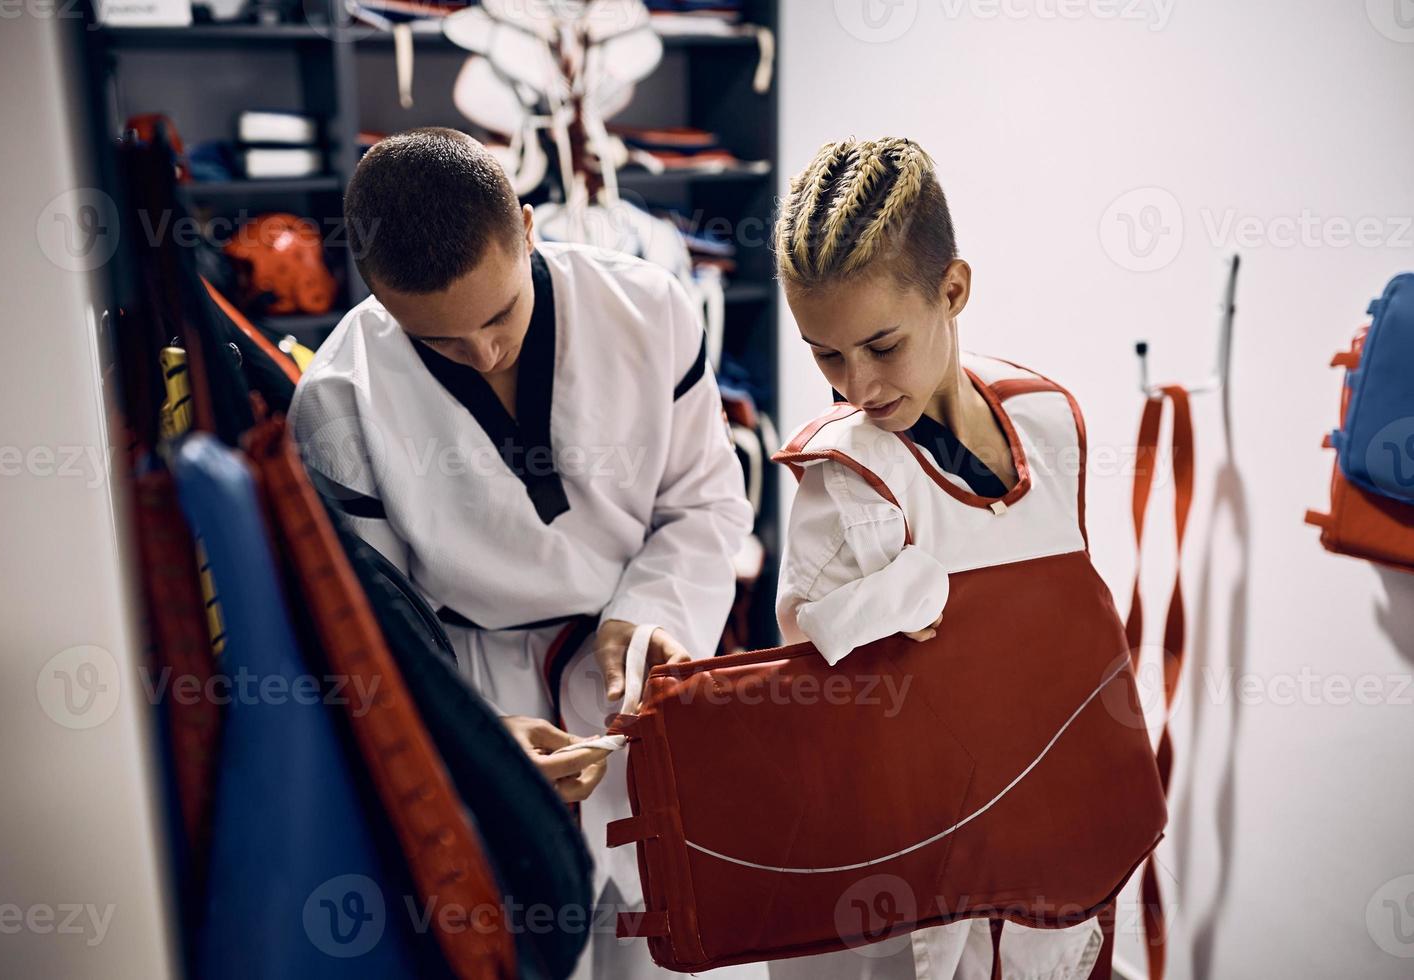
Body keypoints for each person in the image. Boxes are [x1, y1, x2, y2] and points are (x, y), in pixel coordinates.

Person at [287, 127, 752, 979]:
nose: (485, 352)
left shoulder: (650, 308)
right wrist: (476, 735)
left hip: (644, 665)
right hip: (474, 681)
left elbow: (706, 501)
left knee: (681, 947)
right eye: (442, 342)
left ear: (530, 228)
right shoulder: (337, 399)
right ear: (380, 297)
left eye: (498, 315)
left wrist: (650, 612)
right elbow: (380, 627)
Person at [768, 136, 1105, 979]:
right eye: (824, 353)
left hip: (1053, 827)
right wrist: (879, 616)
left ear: (951, 289)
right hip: (911, 873)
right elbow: (817, 703)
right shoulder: (842, 478)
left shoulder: (1050, 419)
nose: (857, 385)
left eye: (882, 346)